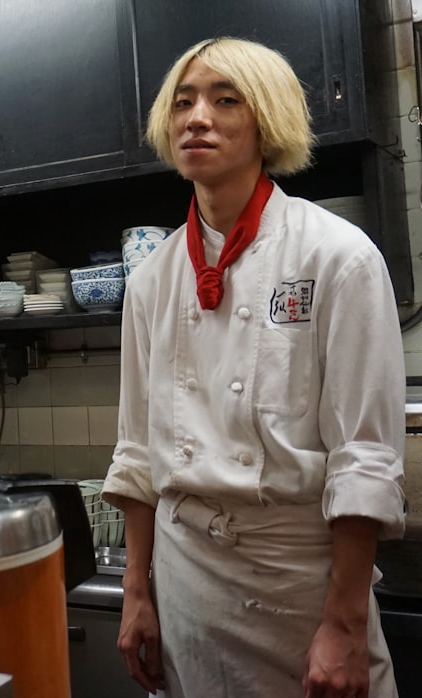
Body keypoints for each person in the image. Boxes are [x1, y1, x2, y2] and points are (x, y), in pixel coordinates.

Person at [102, 38, 406, 697]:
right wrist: (136, 592)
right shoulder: (152, 280)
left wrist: (346, 624)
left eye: (224, 99)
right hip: (188, 587)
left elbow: (365, 460)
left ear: (266, 120)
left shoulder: (336, 257)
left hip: (299, 587)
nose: (197, 117)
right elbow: (136, 454)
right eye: (183, 102)